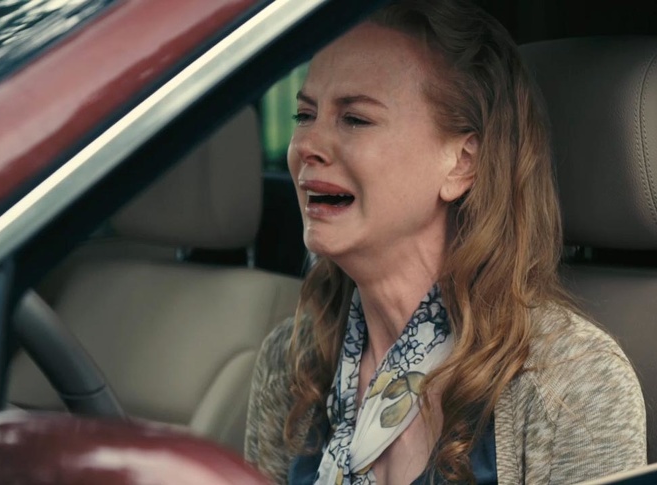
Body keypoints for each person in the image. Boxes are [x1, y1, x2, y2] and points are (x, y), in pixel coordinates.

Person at [244, 0, 647, 483]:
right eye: (305, 114)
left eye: (355, 119)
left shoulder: (570, 382)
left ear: (462, 163)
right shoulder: (292, 364)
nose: (307, 145)